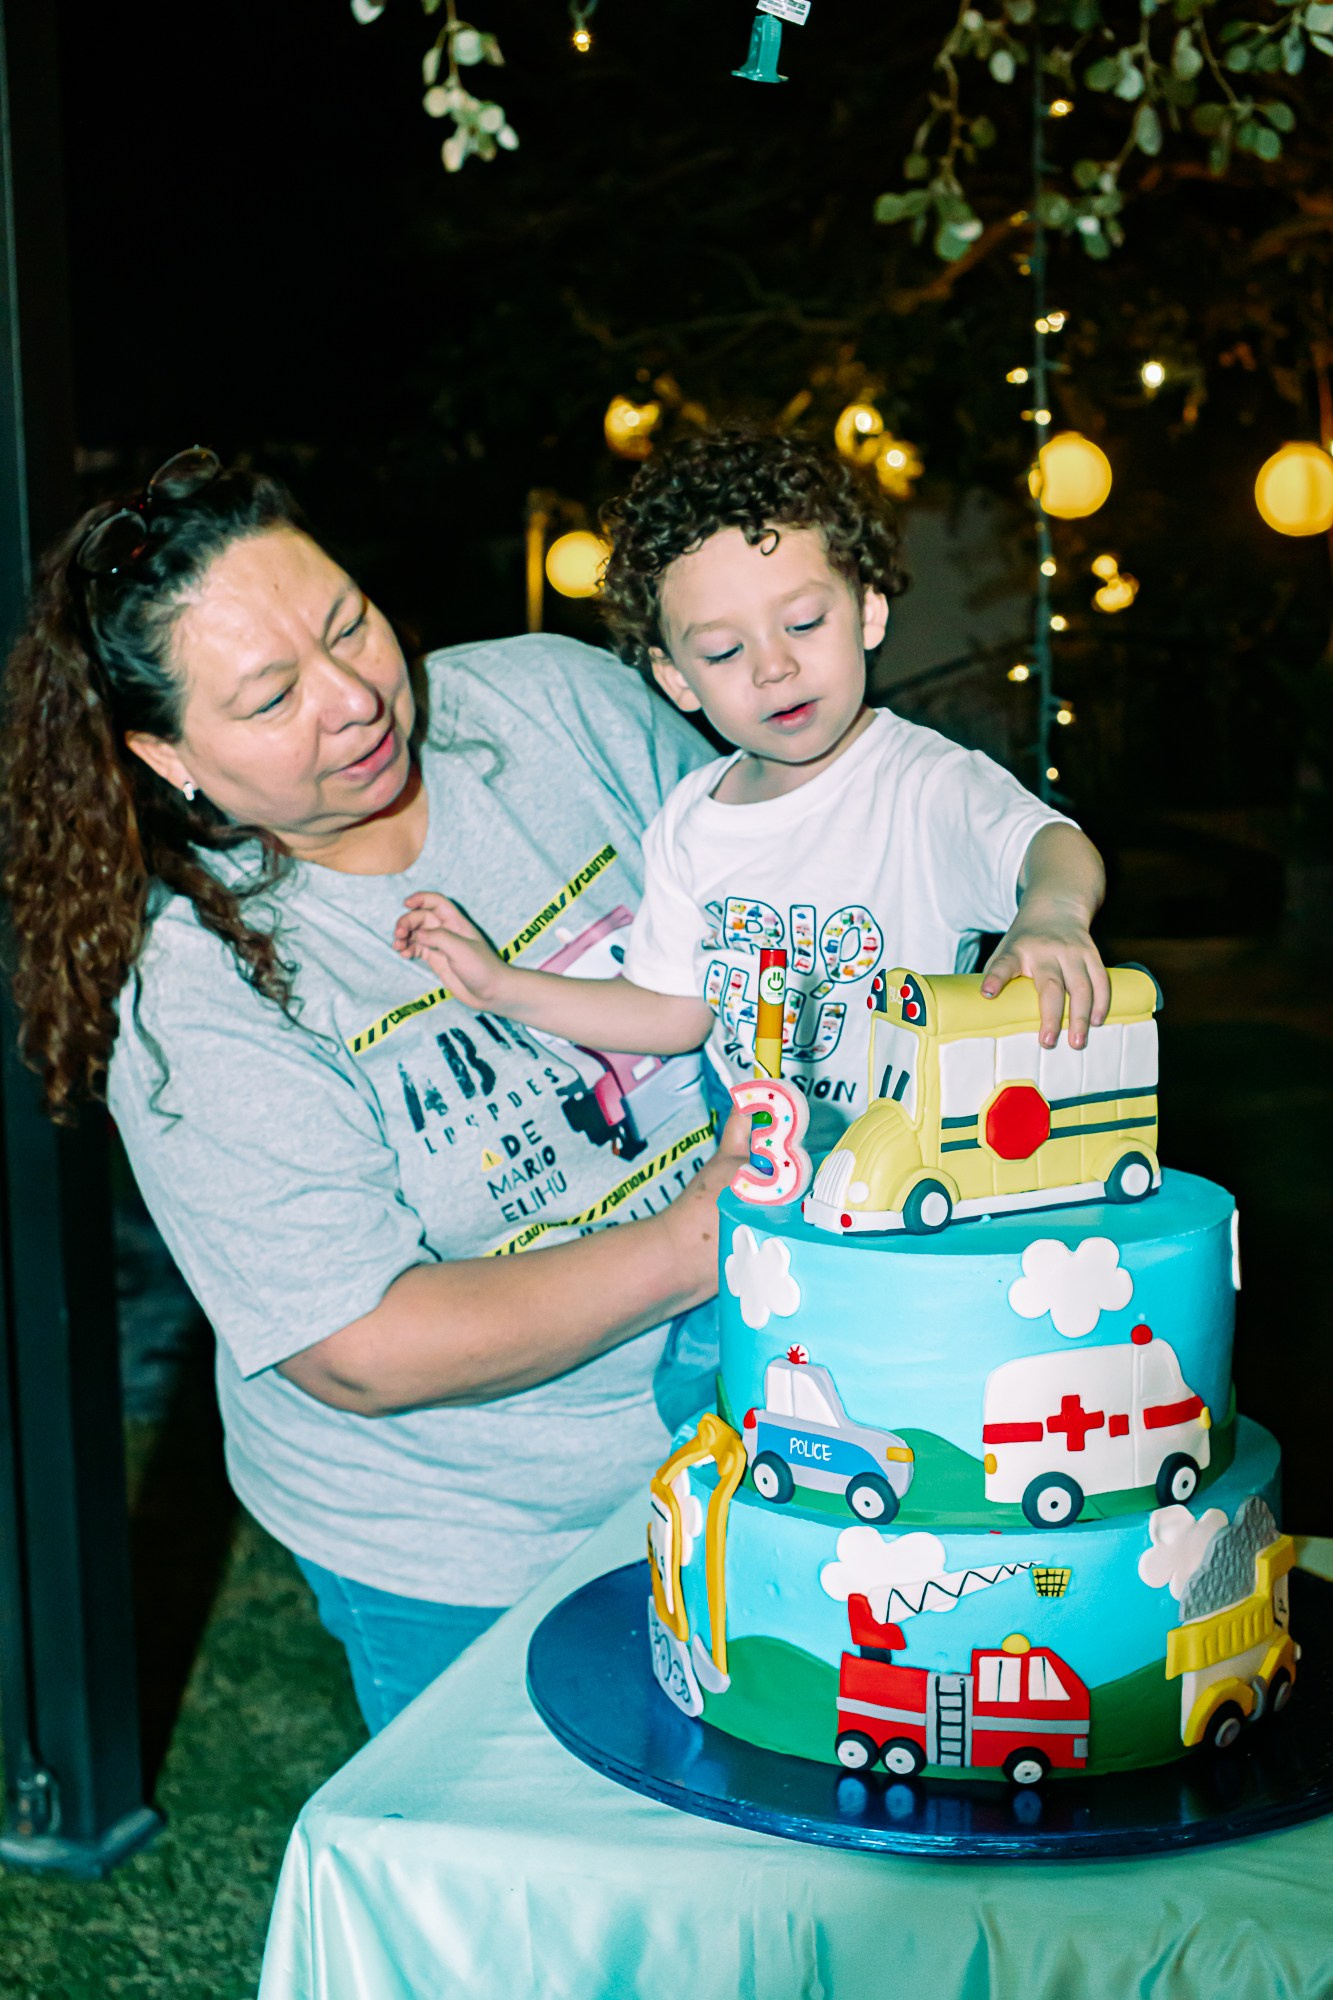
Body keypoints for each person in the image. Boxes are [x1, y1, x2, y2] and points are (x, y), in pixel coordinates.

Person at [0, 447, 749, 1734]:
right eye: (270, 694)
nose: (353, 699)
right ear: (166, 752)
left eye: (348, 624)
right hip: (470, 1527)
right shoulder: (193, 990)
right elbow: (363, 1348)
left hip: (758, 1421)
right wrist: (705, 1239)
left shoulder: (554, 704)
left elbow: (778, 907)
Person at [396, 430, 1111, 1153]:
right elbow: (674, 1013)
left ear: (866, 611)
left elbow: (1049, 844)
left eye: (802, 623)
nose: (773, 666)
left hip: (912, 1172)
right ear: (676, 678)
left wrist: (1050, 913)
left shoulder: (919, 783)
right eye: (722, 651)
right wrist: (501, 987)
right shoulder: (690, 821)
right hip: (766, 1194)